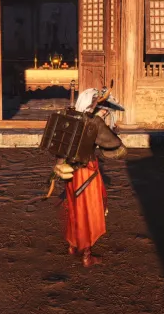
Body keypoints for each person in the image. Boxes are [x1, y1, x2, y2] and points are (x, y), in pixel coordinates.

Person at [53, 87, 126, 267]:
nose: (105, 111)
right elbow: (114, 144)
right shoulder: (94, 122)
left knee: (74, 207)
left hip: (70, 171)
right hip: (87, 172)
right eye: (102, 108)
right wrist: (102, 123)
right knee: (88, 210)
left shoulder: (71, 117)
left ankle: (73, 245)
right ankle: (86, 254)